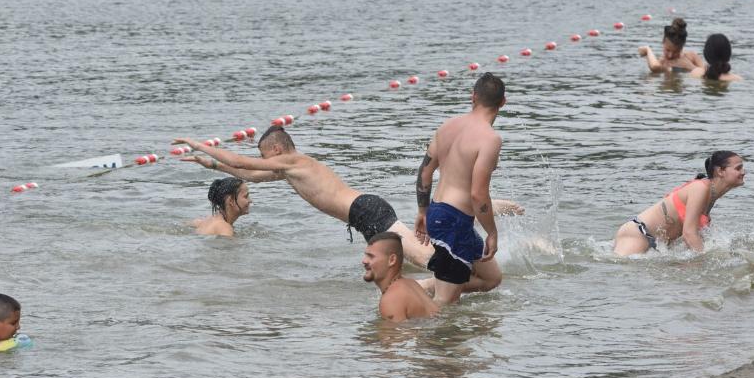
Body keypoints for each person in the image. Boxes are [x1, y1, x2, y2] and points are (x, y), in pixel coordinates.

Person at [173, 127, 519, 293]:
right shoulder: (288, 168)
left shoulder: (295, 161)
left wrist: (198, 143)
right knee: (428, 259)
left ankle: (471, 217)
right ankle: (456, 257)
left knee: (430, 261)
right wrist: (210, 166)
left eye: (266, 155)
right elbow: (249, 173)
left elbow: (239, 159)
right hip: (365, 213)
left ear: (277, 148)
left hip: (367, 212)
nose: (265, 163)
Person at [414, 72, 505, 305]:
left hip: (441, 214)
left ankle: (423, 289)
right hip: (452, 221)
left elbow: (424, 172)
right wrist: (492, 233)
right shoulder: (490, 139)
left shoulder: (447, 126)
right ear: (502, 102)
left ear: (473, 97)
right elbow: (478, 194)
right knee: (444, 307)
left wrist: (423, 212)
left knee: (491, 278)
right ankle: (408, 326)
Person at [613, 151, 745, 256]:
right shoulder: (700, 188)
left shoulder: (711, 195)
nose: (743, 172)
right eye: (738, 168)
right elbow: (689, 233)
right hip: (638, 235)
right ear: (720, 171)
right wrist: (707, 262)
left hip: (659, 247)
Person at [362, 232, 439, 322]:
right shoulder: (411, 283)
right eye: (366, 255)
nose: (364, 261)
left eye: (371, 256)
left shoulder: (391, 299)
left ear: (392, 260)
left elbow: (396, 335)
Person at [638, 18, 704, 73]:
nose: (670, 55)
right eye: (667, 50)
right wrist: (648, 49)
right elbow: (654, 67)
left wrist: (690, 67)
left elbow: (707, 72)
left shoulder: (691, 56)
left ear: (682, 47)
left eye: (676, 52)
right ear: (663, 42)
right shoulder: (663, 61)